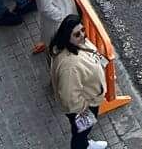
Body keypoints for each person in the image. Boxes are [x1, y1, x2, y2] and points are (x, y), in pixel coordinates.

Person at [47, 13, 110, 149]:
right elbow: (69, 97)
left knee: (82, 131)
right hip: (84, 107)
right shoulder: (70, 67)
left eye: (82, 30)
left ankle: (85, 144)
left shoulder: (76, 45)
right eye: (77, 34)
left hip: (87, 101)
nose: (82, 35)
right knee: (81, 133)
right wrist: (85, 109)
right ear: (67, 37)